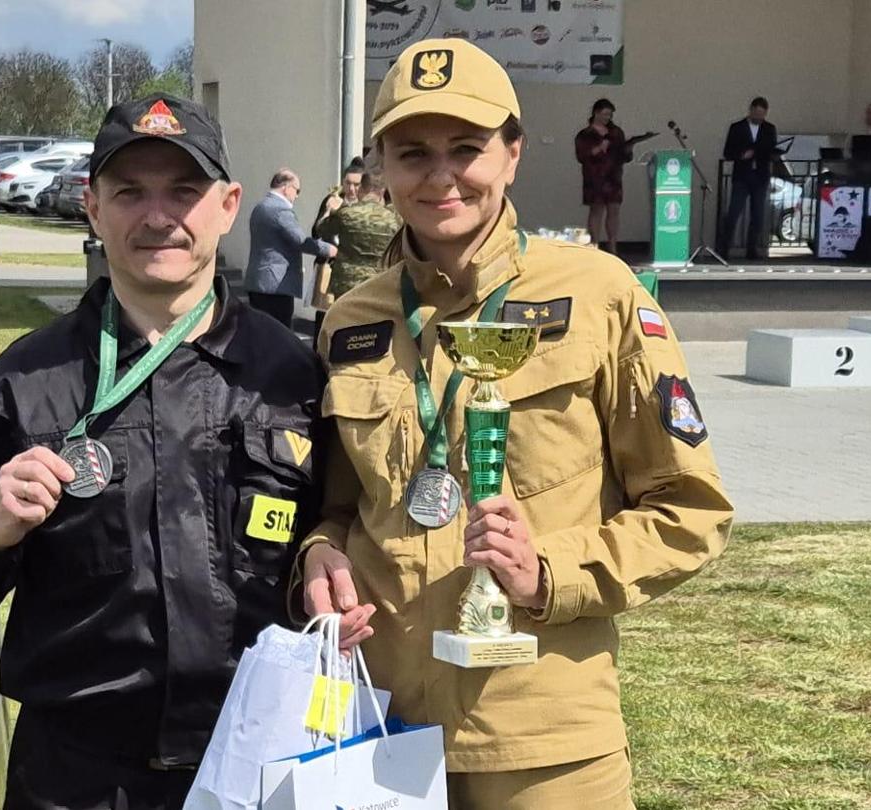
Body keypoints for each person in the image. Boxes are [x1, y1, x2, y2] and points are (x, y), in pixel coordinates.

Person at [300, 39, 734, 808]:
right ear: (382, 165)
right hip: (379, 731)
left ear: (513, 154)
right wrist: (320, 553)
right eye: (412, 152)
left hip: (543, 742)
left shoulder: (600, 295)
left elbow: (688, 513)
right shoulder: (353, 320)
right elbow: (340, 505)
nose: (440, 176)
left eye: (467, 148)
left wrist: (551, 572)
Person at [0, 92, 323, 810]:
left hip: (261, 765)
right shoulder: (25, 383)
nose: (158, 216)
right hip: (80, 778)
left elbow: (338, 522)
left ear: (227, 205)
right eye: (129, 192)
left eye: (183, 191)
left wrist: (326, 546)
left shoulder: (292, 375)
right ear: (92, 208)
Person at [243, 168, 336, 327]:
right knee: (279, 335)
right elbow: (301, 241)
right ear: (286, 188)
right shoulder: (280, 210)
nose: (297, 196)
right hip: (277, 286)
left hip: (258, 282)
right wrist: (330, 249)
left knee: (261, 332)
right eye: (297, 190)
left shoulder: (260, 207)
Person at [572, 98, 655, 256]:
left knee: (614, 210)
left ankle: (613, 246)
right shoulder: (585, 134)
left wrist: (629, 147)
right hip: (595, 178)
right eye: (605, 114)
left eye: (610, 115)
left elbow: (623, 156)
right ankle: (594, 244)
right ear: (596, 113)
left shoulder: (616, 132)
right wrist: (599, 148)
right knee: (596, 210)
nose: (607, 118)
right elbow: (582, 156)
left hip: (613, 177)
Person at [312, 168, 401, 304]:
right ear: (382, 191)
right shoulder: (393, 217)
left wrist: (330, 211)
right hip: (379, 282)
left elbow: (321, 230)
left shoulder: (347, 213)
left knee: (345, 322)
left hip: (347, 284)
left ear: (361, 189)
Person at [719, 96, 778, 260]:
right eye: (757, 114)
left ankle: (752, 249)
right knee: (733, 213)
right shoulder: (737, 127)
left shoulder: (769, 128)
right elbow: (727, 152)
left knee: (758, 215)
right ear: (751, 110)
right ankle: (724, 248)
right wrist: (741, 155)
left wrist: (772, 155)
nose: (760, 118)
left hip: (760, 176)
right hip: (742, 176)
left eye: (763, 115)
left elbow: (772, 148)